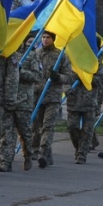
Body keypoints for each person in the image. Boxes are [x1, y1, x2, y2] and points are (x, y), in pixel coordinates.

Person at [31, 31, 73, 168]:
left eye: (48, 37)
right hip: (37, 95)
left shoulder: (60, 55)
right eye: (43, 37)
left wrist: (58, 77)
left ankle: (43, 152)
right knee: (36, 127)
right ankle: (41, 151)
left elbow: (69, 77)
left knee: (48, 126)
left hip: (52, 96)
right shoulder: (35, 54)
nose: (45, 40)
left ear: (53, 39)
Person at [1, 36, 38, 170]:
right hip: (7, 99)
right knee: (6, 133)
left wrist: (21, 71)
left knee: (25, 132)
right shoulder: (5, 54)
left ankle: (28, 155)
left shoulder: (31, 55)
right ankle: (6, 161)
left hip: (23, 101)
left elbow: (37, 76)